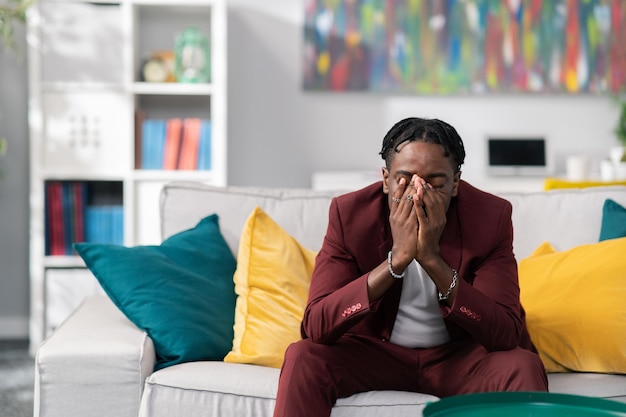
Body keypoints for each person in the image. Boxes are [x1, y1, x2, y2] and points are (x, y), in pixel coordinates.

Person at [272, 117, 548, 417]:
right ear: (385, 178)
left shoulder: (490, 217)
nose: (418, 192)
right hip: (376, 353)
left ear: (455, 183)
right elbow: (316, 327)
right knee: (303, 357)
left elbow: (505, 333)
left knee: (522, 365)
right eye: (404, 179)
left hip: (459, 357)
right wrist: (397, 260)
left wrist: (432, 259)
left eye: (436, 183)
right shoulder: (349, 215)